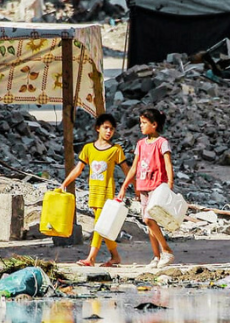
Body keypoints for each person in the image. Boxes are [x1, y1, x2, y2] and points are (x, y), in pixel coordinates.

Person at [60, 112, 130, 267]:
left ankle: (90, 258)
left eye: (111, 129)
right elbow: (78, 169)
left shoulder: (116, 150)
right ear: (98, 128)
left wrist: (131, 187)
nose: (108, 131)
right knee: (103, 226)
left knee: (99, 225)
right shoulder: (88, 149)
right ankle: (115, 257)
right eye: (105, 127)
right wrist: (64, 183)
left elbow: (126, 170)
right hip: (94, 193)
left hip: (107, 193)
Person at [117, 108, 175, 269]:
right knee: (149, 224)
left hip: (157, 187)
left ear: (154, 124)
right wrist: (125, 187)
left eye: (144, 123)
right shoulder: (141, 144)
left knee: (149, 219)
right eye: (140, 123)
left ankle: (167, 250)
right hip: (143, 187)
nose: (140, 126)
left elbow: (168, 163)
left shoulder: (162, 143)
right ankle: (156, 256)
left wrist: (170, 182)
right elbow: (134, 167)